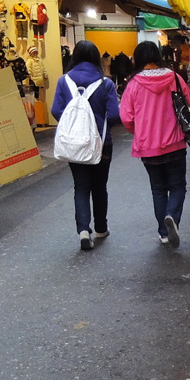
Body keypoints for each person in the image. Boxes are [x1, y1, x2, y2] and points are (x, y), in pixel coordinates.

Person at [120, 41, 190, 248]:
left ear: (138, 59)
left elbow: (126, 117)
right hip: (175, 144)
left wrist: (140, 131)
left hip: (147, 147)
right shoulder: (174, 78)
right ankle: (172, 217)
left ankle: (164, 233)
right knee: (177, 187)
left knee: (158, 189)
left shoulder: (133, 84)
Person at [50, 40, 120, 251]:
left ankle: (83, 230)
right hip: (101, 144)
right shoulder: (105, 83)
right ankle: (101, 228)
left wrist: (74, 124)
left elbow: (55, 110)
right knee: (99, 186)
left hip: (74, 144)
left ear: (75, 56)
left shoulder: (64, 81)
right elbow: (115, 116)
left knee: (81, 186)